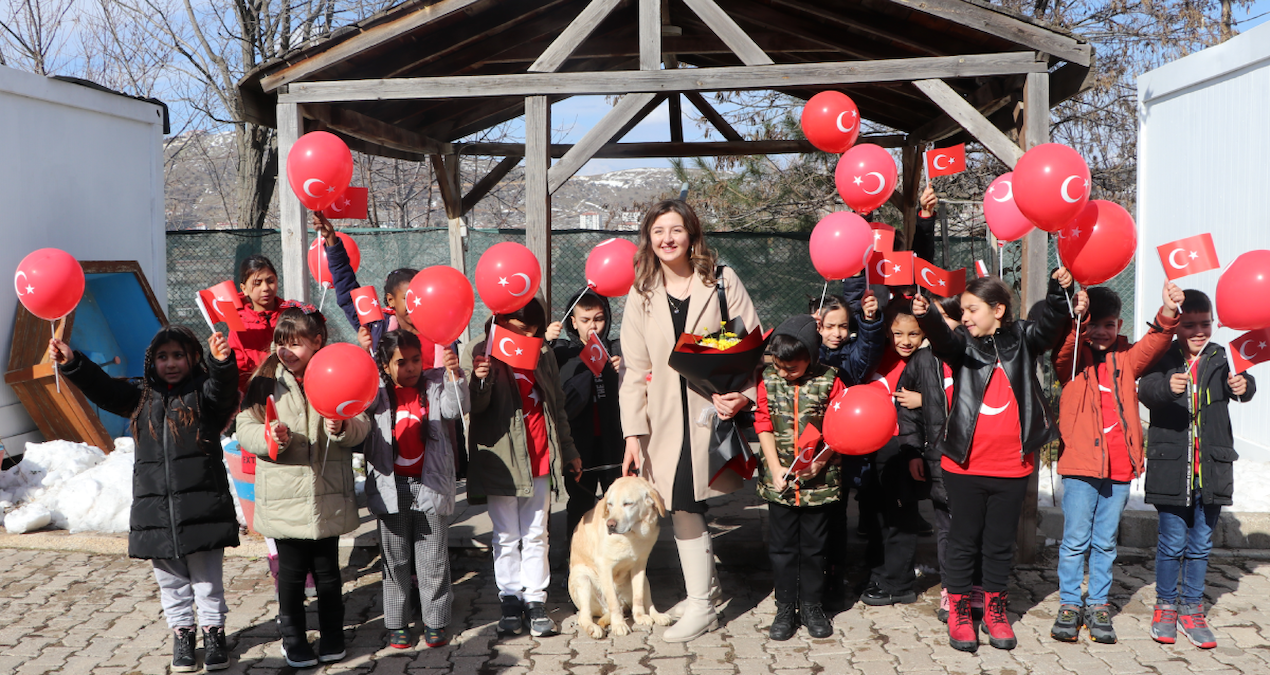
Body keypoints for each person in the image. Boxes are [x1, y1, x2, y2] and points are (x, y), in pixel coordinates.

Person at [50, 327, 240, 672]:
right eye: (163, 356)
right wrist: (73, 362)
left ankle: (214, 633)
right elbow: (103, 388)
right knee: (171, 582)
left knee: (207, 579)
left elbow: (224, 392)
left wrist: (222, 363)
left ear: (193, 358)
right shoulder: (140, 396)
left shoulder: (203, 393)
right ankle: (183, 635)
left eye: (178, 356)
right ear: (152, 361)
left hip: (203, 508)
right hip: (156, 510)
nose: (170, 364)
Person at [618, 198, 763, 643]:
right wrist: (632, 435)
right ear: (649, 239)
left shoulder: (722, 282)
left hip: (711, 416)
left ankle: (702, 605)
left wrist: (744, 396)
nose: (667, 239)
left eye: (675, 230)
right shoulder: (642, 293)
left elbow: (753, 347)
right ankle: (705, 591)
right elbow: (633, 370)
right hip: (663, 422)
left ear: (691, 234)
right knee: (680, 500)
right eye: (658, 231)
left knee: (685, 501)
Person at [911, 269, 1073, 653]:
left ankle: (997, 610)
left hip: (1012, 467)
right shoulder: (962, 344)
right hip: (964, 466)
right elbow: (942, 338)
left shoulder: (1024, 338)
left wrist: (1057, 288)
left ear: (998, 310)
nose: (965, 316)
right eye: (962, 311)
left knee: (1000, 544)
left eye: (972, 309)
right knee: (963, 542)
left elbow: (1051, 324)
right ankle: (961, 611)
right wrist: (926, 316)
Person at [236, 307, 371, 668]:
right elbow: (244, 427)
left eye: (295, 343)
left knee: (328, 574)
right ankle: (293, 639)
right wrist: (271, 437)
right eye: (281, 342)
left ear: (317, 342)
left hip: (327, 493)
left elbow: (362, 423)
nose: (286, 351)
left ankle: (332, 636)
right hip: (284, 495)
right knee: (291, 576)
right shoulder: (265, 379)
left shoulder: (337, 371)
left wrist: (340, 427)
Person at [1048, 283, 1182, 644]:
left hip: (1120, 467)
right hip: (1079, 467)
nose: (1101, 332)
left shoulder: (1127, 357)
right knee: (1075, 540)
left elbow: (1155, 342)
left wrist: (1168, 311)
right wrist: (1077, 321)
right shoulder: (1073, 358)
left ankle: (1098, 604)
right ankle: (1070, 604)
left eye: (1108, 325)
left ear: (1119, 324)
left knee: (1105, 542)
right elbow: (1063, 350)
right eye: (1094, 325)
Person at [1140, 289, 1256, 649]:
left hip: (1212, 469)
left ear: (1213, 322)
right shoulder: (1163, 356)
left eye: (1204, 323)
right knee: (1173, 542)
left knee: (1201, 543)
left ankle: (1192, 608)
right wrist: (1165, 387)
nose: (1198, 331)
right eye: (1189, 325)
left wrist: (1244, 385)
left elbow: (1244, 388)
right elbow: (1144, 389)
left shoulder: (1221, 357)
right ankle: (1165, 608)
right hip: (1172, 469)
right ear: (1176, 327)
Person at [461, 297, 581, 638]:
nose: (527, 336)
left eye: (533, 331)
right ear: (502, 320)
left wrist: (569, 449)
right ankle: (510, 599)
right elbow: (475, 407)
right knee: (506, 535)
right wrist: (480, 379)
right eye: (519, 329)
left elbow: (557, 406)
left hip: (540, 453)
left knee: (536, 533)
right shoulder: (479, 349)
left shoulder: (543, 354)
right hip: (500, 459)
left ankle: (536, 599)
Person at [365, 330, 468, 650]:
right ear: (384, 365)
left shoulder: (436, 383)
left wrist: (455, 376)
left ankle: (435, 621)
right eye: (401, 362)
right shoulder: (376, 392)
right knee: (394, 559)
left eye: (415, 360)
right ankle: (396, 622)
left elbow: (454, 410)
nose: (410, 368)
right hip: (390, 487)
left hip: (431, 484)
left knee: (433, 557)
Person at [754, 315, 846, 640]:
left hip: (818, 485)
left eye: (790, 368)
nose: (783, 373)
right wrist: (774, 467)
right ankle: (784, 608)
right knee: (781, 549)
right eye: (778, 365)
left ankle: (812, 606)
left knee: (815, 548)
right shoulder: (767, 380)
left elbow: (842, 429)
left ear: (811, 356)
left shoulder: (832, 380)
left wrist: (820, 464)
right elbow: (763, 422)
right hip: (780, 483)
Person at [814, 293, 886, 605]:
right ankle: (812, 573)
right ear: (817, 325)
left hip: (842, 452)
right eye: (829, 326)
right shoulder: (808, 352)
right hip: (810, 448)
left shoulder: (850, 357)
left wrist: (869, 323)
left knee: (838, 515)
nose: (837, 333)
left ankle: (835, 575)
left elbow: (867, 353)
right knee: (815, 518)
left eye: (843, 326)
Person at [896, 294, 963, 622]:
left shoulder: (973, 354)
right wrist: (911, 450)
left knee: (973, 526)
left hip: (974, 458)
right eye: (935, 319)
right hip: (937, 457)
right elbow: (902, 405)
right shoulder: (922, 361)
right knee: (946, 527)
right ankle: (951, 590)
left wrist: (923, 400)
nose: (942, 326)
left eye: (948, 319)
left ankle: (975, 585)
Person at [859, 298, 927, 607]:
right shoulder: (875, 357)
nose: (906, 341)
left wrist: (923, 400)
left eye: (913, 333)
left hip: (905, 448)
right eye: (898, 333)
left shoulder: (927, 361)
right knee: (876, 515)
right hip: (871, 447)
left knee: (901, 516)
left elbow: (950, 397)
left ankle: (899, 583)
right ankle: (879, 572)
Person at [550, 288, 625, 547]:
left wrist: (625, 370)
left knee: (619, 509)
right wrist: (544, 343)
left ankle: (618, 563)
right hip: (579, 445)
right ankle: (577, 563)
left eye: (599, 318)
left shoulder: (617, 349)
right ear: (572, 321)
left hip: (614, 445)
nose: (593, 326)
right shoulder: (561, 353)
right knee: (580, 506)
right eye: (585, 320)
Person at [230, 255, 282, 394]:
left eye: (270, 281)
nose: (265, 288)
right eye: (257, 283)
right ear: (244, 288)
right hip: (254, 397)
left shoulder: (290, 314)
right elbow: (239, 368)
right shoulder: (236, 320)